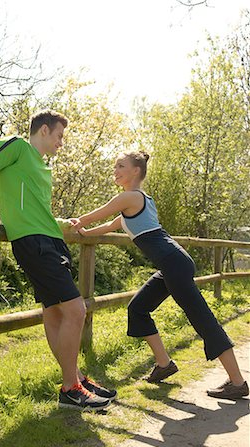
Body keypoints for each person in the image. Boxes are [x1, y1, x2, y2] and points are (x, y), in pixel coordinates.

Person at [0, 110, 117, 410]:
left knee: (56, 314)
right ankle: (69, 388)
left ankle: (75, 378)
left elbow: (37, 211)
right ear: (44, 130)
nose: (62, 142)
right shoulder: (18, 146)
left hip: (50, 240)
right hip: (33, 244)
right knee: (76, 310)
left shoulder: (41, 166)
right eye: (60, 135)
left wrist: (64, 223)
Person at [71, 150, 249, 400]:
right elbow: (109, 225)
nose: (116, 170)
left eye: (121, 166)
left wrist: (76, 222)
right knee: (138, 308)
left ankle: (238, 382)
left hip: (174, 264)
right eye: (115, 166)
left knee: (203, 320)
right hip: (171, 265)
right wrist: (84, 234)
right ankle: (164, 364)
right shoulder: (135, 203)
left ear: (136, 171)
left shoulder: (131, 197)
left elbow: (100, 212)